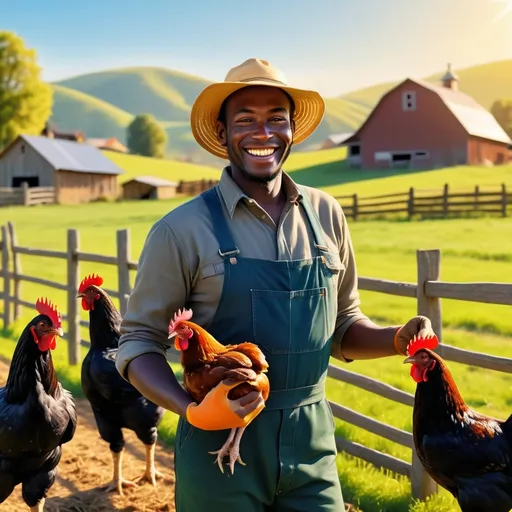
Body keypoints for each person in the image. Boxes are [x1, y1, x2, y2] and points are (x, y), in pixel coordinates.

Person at [115, 58, 435, 511]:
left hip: (313, 448)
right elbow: (137, 343)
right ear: (223, 133)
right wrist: (192, 410)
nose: (262, 132)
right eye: (244, 119)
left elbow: (343, 325)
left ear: (291, 131)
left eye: (276, 119)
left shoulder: (327, 215)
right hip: (216, 449)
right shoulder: (180, 230)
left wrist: (396, 338)